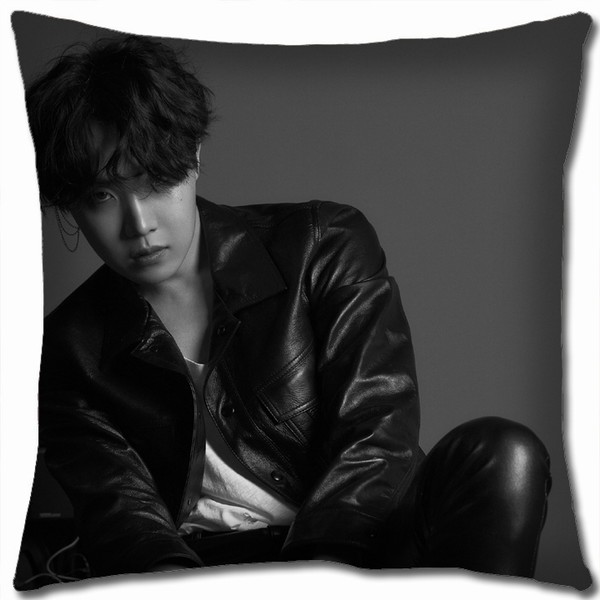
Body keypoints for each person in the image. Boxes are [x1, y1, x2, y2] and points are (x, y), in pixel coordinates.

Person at [16, 34, 552, 586]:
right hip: (211, 573)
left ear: (194, 156)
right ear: (70, 204)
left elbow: (375, 431)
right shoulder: (66, 350)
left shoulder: (322, 245)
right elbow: (127, 522)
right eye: (101, 197)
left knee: (501, 453)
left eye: (155, 181)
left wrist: (316, 578)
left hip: (362, 542)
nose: (139, 224)